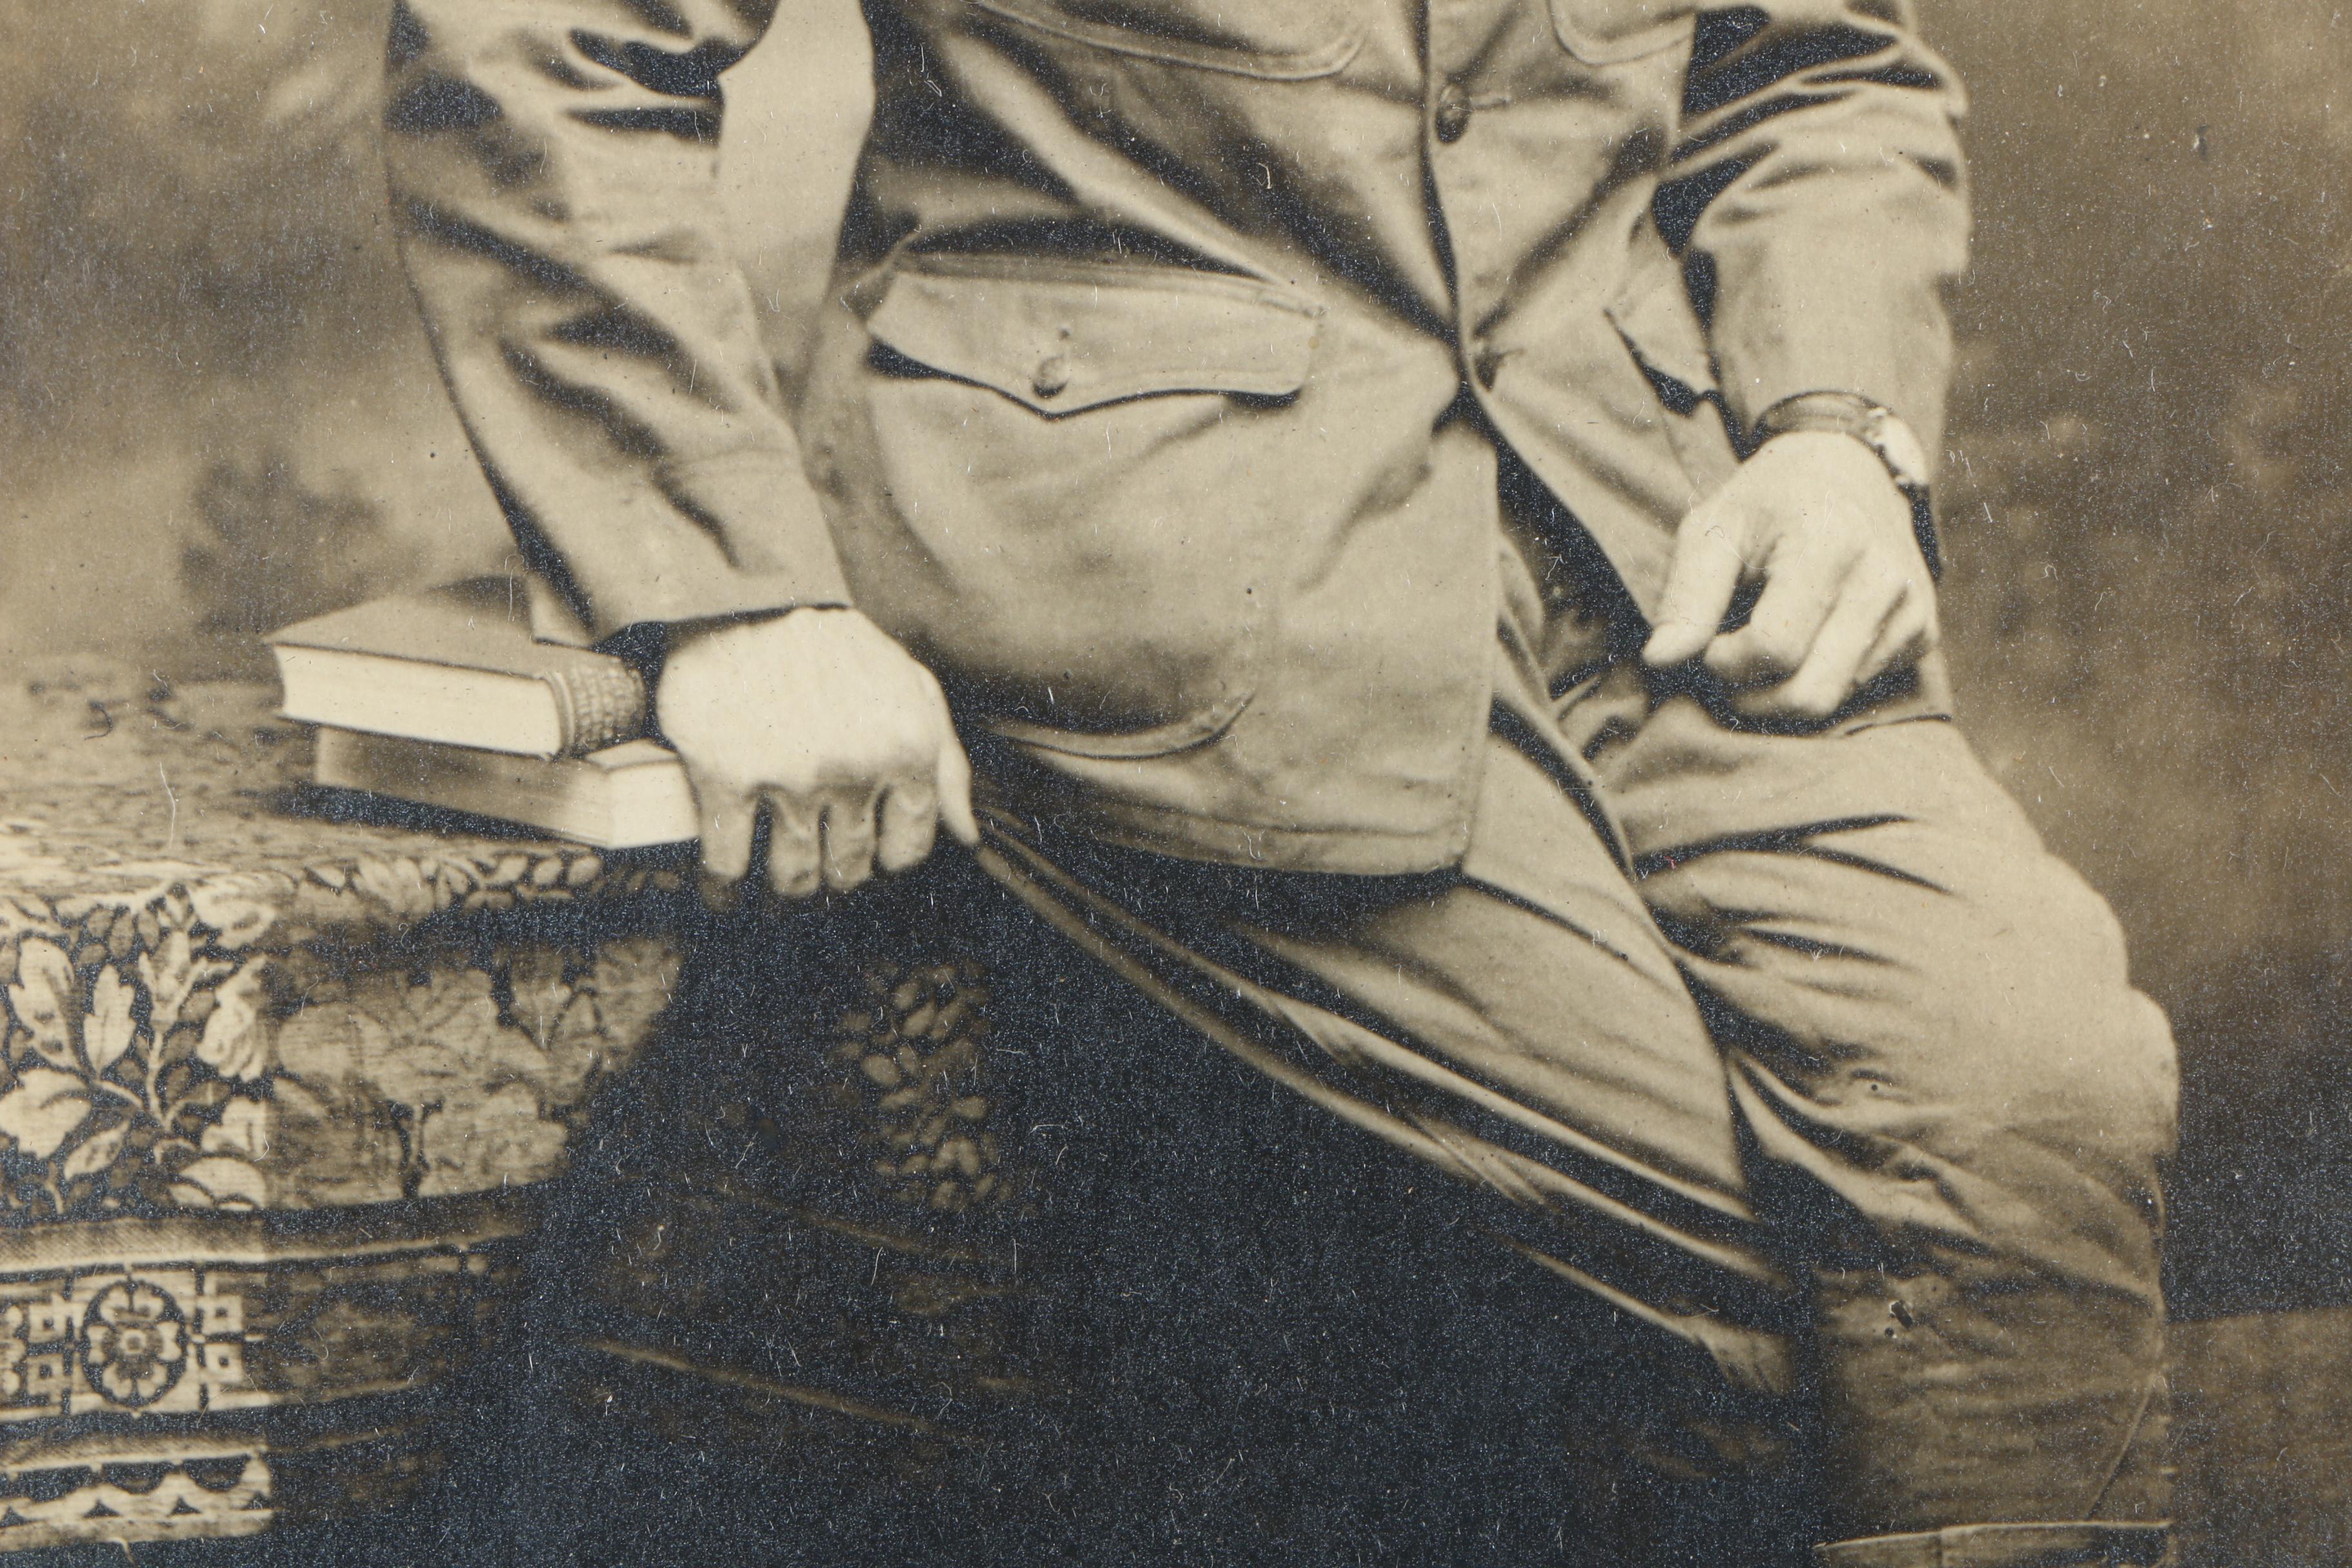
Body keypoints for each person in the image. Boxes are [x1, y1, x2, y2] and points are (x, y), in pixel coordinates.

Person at [382, 2, 2179, 1562]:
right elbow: (537, 45)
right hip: (1145, 573)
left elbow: (1813, 64)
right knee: (1751, 1297)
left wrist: (1838, 429)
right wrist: (731, 596)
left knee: (2042, 1101)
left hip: (1659, 536)